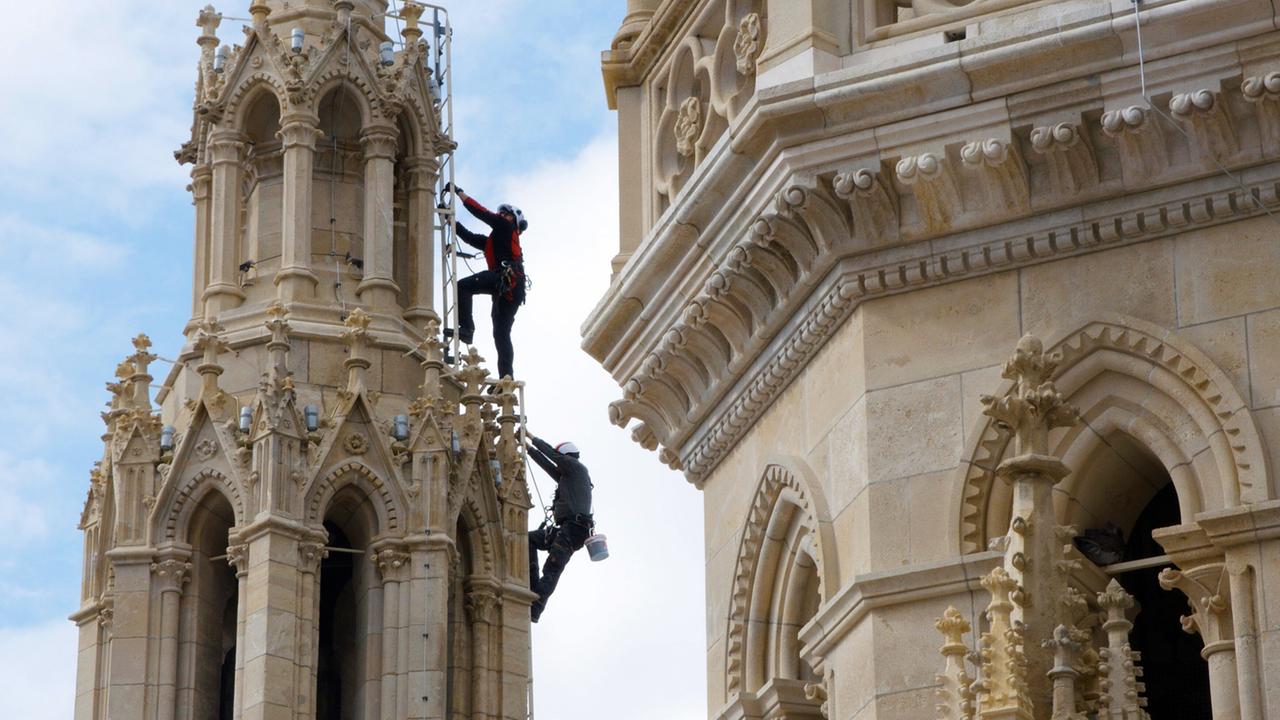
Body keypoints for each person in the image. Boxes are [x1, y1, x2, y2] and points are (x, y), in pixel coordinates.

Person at [446, 183, 527, 379]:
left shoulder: (506, 227)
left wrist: (459, 193)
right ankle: (506, 378)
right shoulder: (496, 239)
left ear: (511, 219)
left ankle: (467, 329)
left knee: (463, 286)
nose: (502, 216)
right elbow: (470, 238)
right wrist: (450, 220)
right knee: (501, 335)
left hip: (505, 280)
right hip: (510, 290)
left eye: (505, 214)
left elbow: (482, 213)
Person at [525, 435, 593, 622]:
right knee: (528, 539)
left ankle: (536, 607)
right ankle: (531, 587)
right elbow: (549, 467)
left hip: (573, 530)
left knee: (553, 567)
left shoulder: (577, 469)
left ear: (567, 456)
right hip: (566, 528)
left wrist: (531, 437)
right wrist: (527, 449)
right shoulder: (568, 476)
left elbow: (552, 456)